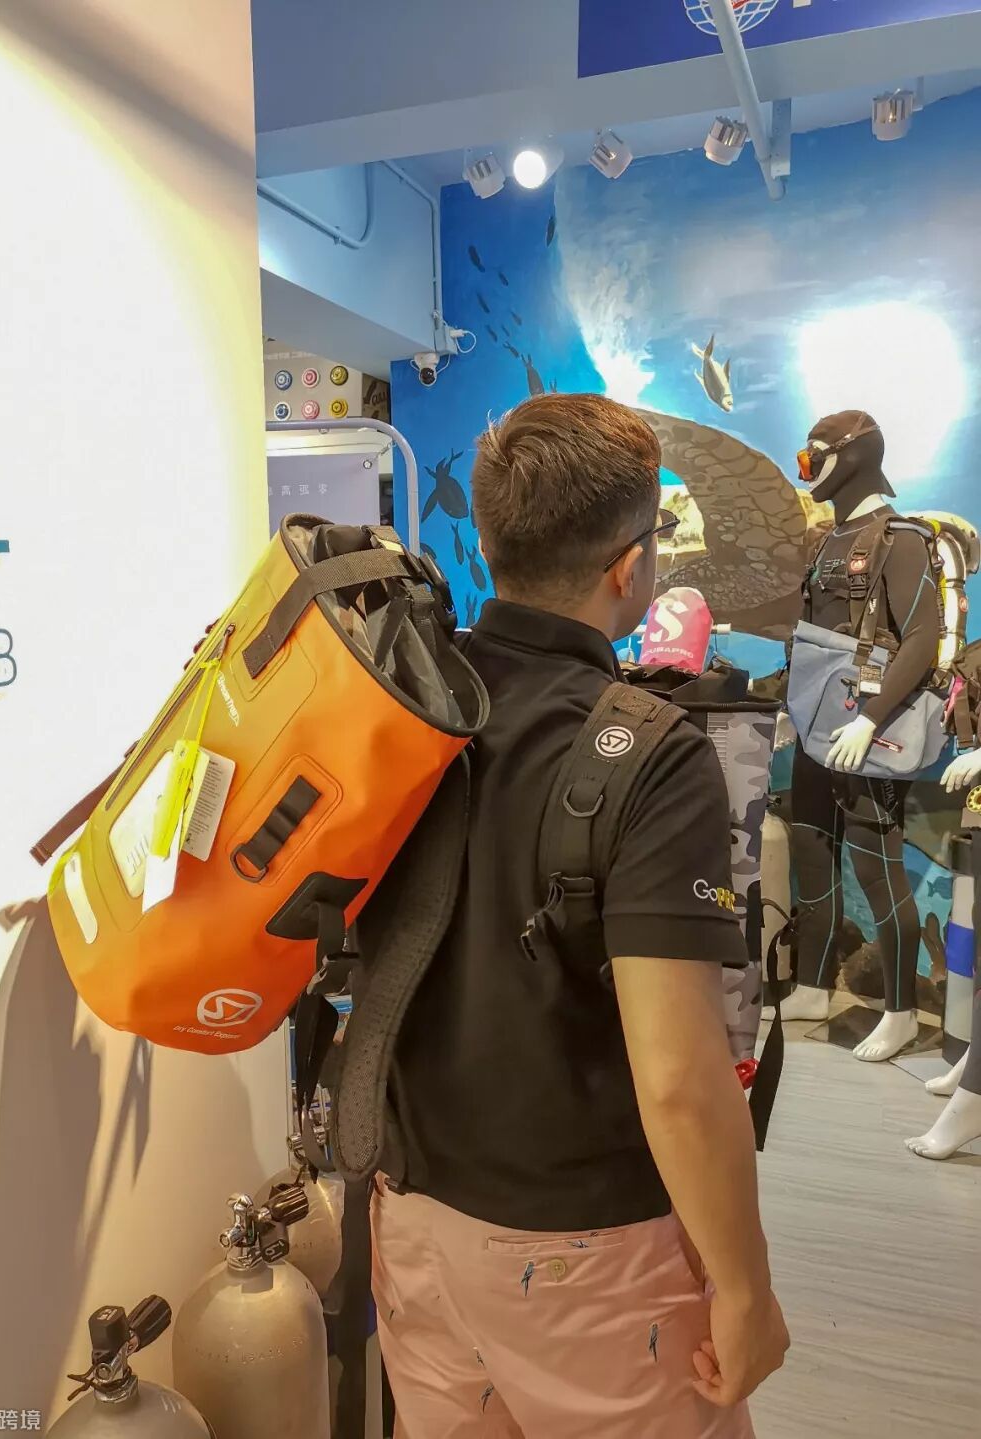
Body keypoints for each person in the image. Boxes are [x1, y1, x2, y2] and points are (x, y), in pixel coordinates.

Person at [368, 394, 788, 1437]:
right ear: (629, 569)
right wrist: (745, 1286)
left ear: (489, 543)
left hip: (409, 1226)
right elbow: (681, 1079)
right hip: (584, 1257)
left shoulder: (406, 703)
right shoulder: (654, 752)